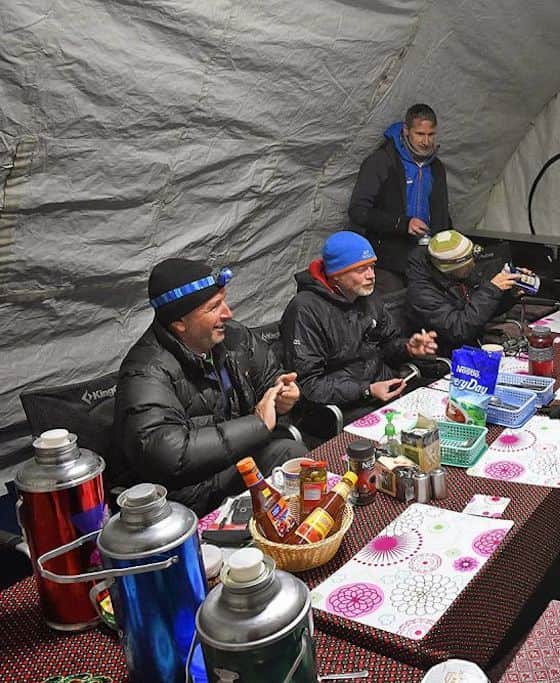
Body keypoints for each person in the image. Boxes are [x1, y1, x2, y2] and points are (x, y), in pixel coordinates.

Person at [111, 259, 307, 516]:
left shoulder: (235, 337)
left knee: (295, 462)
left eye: (224, 301)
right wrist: (257, 423)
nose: (228, 313)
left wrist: (283, 394)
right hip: (186, 492)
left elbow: (271, 376)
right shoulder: (145, 371)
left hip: (235, 462)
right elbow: (168, 454)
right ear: (179, 323)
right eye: (214, 307)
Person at [279, 230, 438, 420]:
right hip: (342, 408)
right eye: (361, 269)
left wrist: (407, 348)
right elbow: (308, 384)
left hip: (382, 389)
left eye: (372, 267)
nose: (371, 276)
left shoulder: (368, 298)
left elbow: (387, 344)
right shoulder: (305, 310)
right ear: (336, 274)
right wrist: (366, 391)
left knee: (436, 418)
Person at [348, 104, 452, 292]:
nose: (426, 141)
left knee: (429, 308)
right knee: (395, 307)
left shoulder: (436, 168)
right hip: (388, 260)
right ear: (406, 131)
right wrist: (403, 224)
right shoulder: (382, 162)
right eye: (420, 134)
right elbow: (358, 211)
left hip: (426, 259)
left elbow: (442, 213)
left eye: (431, 135)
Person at [406, 230, 523, 355]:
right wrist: (492, 289)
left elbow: (479, 313)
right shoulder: (423, 294)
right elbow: (459, 329)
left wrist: (509, 294)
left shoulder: (456, 276)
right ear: (450, 268)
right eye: (467, 265)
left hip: (473, 346)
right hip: (447, 358)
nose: (473, 265)